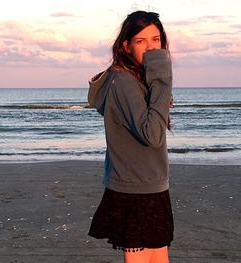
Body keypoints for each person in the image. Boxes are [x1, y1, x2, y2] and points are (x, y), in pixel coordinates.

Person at [87, 10, 173, 263]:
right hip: (135, 189)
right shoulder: (124, 81)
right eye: (141, 41)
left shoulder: (138, 79)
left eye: (156, 40)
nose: (150, 48)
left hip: (151, 185)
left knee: (159, 257)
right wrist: (162, 78)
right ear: (126, 45)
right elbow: (153, 134)